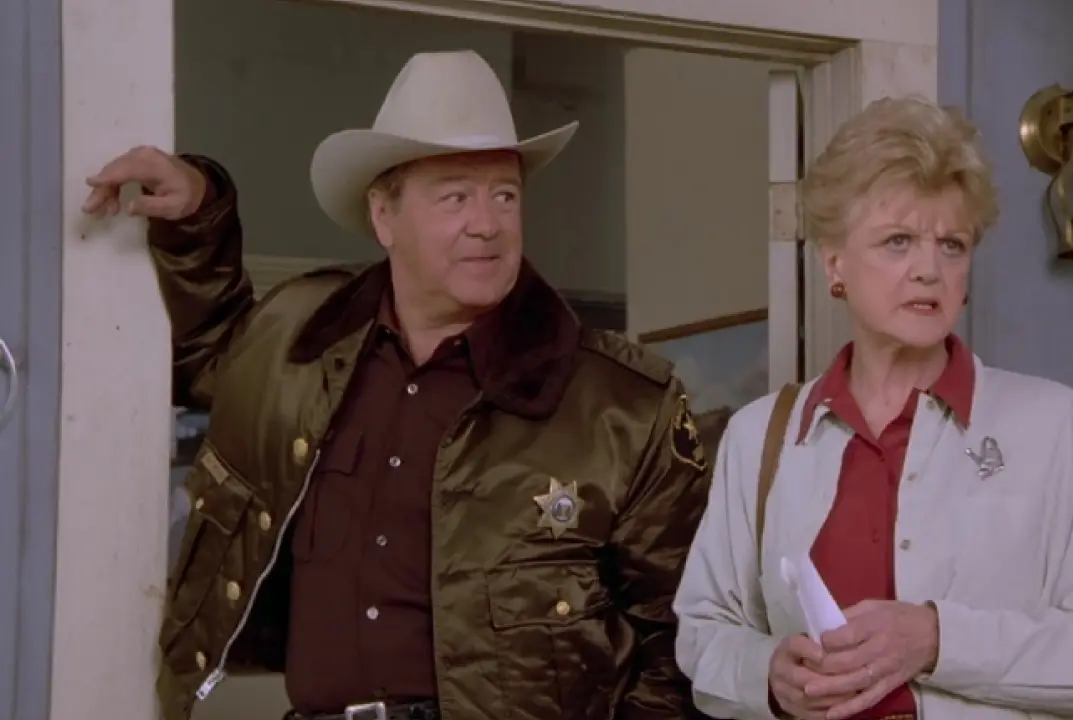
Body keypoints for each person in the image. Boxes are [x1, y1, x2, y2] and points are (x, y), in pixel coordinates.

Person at [82, 50, 711, 720]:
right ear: (384, 216)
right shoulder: (299, 339)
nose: (487, 223)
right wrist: (196, 218)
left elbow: (681, 646)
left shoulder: (622, 407)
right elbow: (210, 353)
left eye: (504, 195)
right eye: (455, 197)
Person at [671, 96, 1073, 720]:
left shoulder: (1051, 425)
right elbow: (703, 634)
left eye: (952, 245)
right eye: (898, 241)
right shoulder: (759, 436)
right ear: (834, 262)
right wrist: (767, 673)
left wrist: (937, 640)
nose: (929, 270)